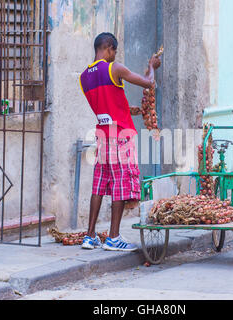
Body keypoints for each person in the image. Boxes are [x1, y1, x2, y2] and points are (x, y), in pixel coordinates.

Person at [79, 32, 161, 252]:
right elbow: (148, 83)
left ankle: (90, 236)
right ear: (109, 48)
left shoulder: (84, 77)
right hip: (121, 137)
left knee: (99, 186)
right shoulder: (113, 68)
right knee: (120, 186)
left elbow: (105, 108)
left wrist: (130, 110)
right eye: (114, 51)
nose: (115, 55)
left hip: (103, 135)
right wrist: (152, 67)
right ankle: (113, 237)